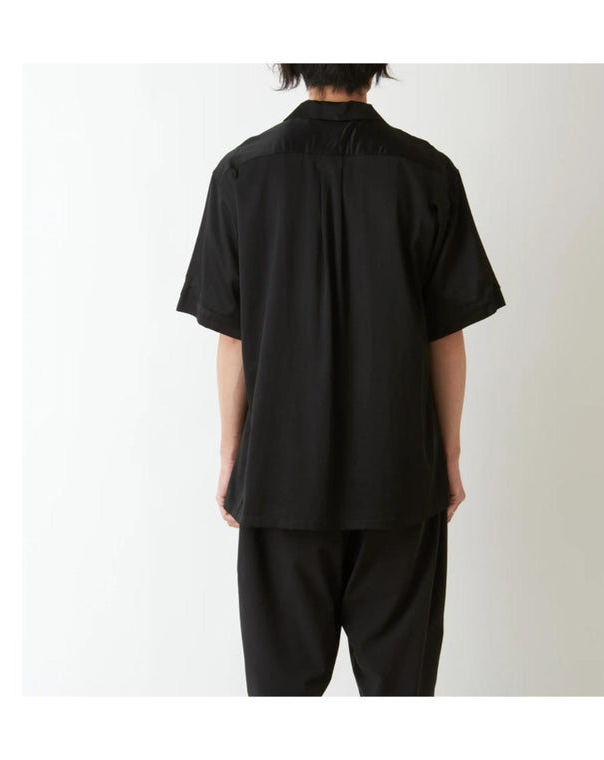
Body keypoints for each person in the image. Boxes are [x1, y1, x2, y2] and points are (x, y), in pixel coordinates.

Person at [176, 64, 506, 696]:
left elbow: (234, 338)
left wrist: (231, 458)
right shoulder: (427, 173)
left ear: (294, 62)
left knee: (281, 699)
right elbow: (446, 336)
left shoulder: (242, 172)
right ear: (376, 63)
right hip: (399, 481)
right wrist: (448, 459)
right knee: (400, 695)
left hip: (279, 482)